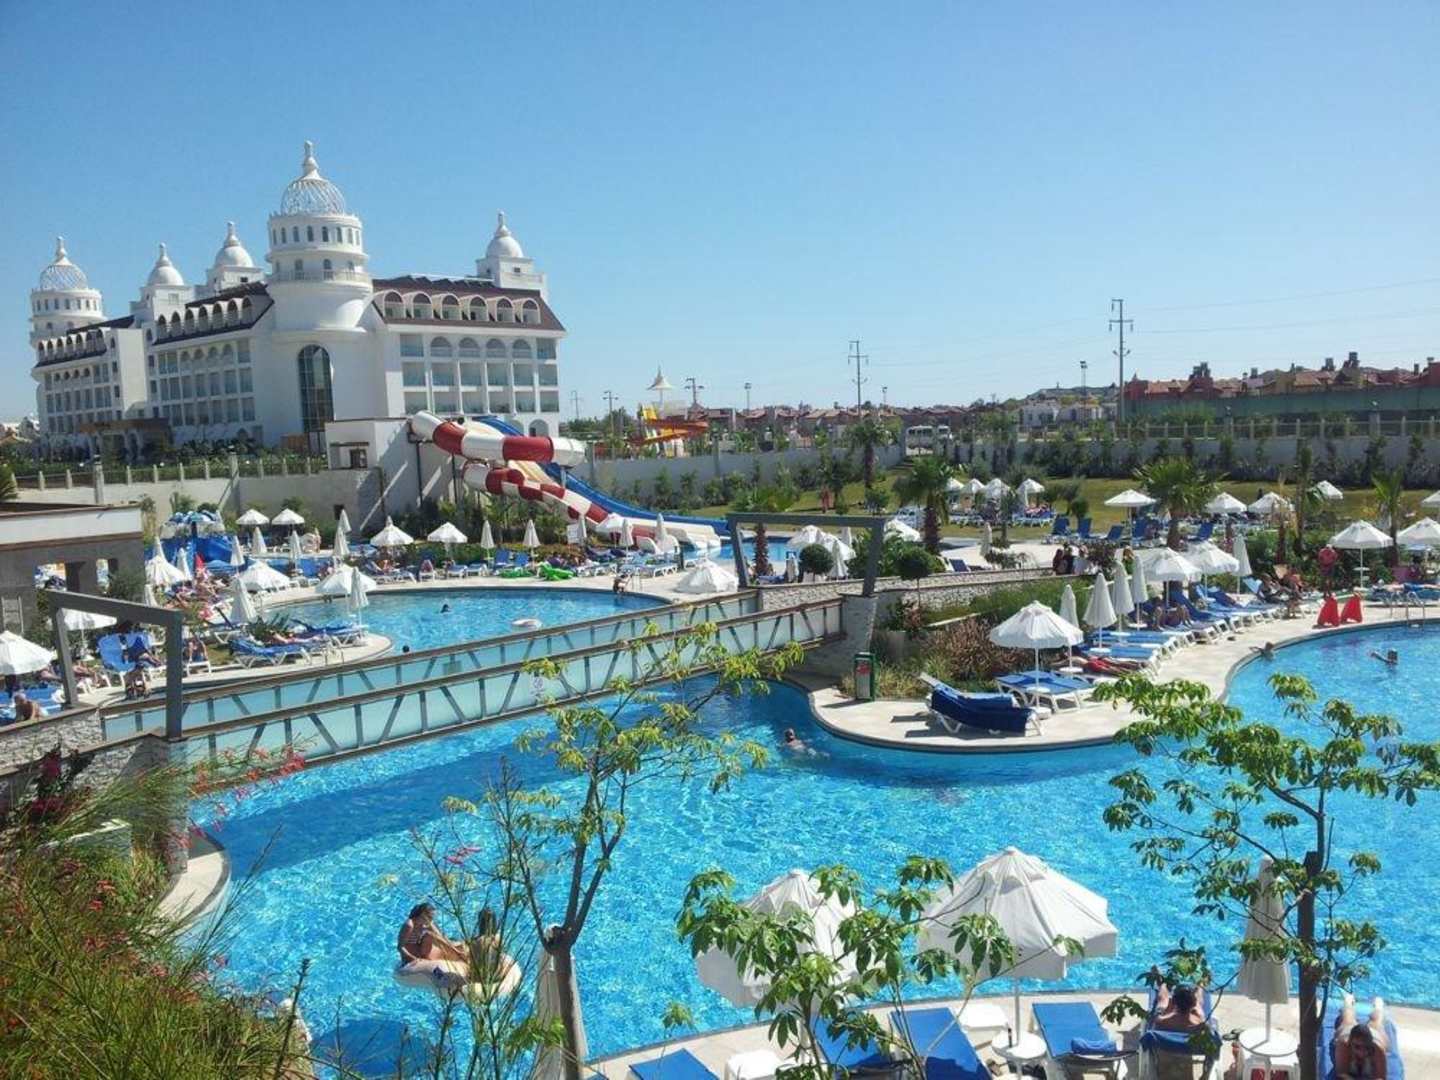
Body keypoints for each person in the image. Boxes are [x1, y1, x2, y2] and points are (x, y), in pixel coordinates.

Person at [1333, 994, 1388, 1078]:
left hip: (1375, 1035)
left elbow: (1380, 1077)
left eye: (1366, 1047)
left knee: (1377, 1022)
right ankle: (1348, 1001)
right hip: (1348, 1032)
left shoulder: (1377, 1049)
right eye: (1357, 1047)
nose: (1362, 1052)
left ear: (1371, 1044)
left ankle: (1378, 1006)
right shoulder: (1343, 1045)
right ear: (1350, 1043)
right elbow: (1342, 1074)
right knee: (1347, 1020)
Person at [396, 902, 468, 965]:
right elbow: (400, 947)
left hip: (420, 951)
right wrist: (413, 959)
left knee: (430, 935)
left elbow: (439, 936)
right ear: (423, 915)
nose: (431, 920)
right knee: (429, 934)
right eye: (430, 917)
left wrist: (452, 946)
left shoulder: (423, 924)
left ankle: (456, 951)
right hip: (411, 955)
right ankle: (456, 952)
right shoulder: (409, 925)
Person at [1149, 968, 1207, 1033]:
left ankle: (1162, 984)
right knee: (1198, 1005)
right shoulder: (1200, 1025)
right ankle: (1201, 984)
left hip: (1168, 1024)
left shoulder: (1160, 1022)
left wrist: (1169, 1010)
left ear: (1173, 1002)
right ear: (1193, 1004)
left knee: (1163, 1001)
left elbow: (1156, 1019)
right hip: (1191, 1024)